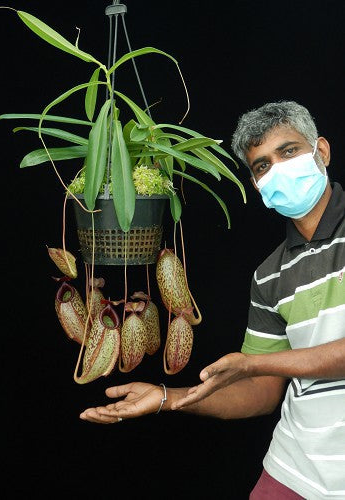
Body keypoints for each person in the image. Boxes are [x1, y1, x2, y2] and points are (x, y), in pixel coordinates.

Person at [79, 101, 345, 499]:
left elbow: (257, 368)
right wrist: (169, 399)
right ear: (257, 186)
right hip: (296, 470)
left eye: (289, 151)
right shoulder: (269, 275)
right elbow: (261, 391)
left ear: (320, 151)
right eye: (262, 165)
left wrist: (253, 364)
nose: (278, 169)